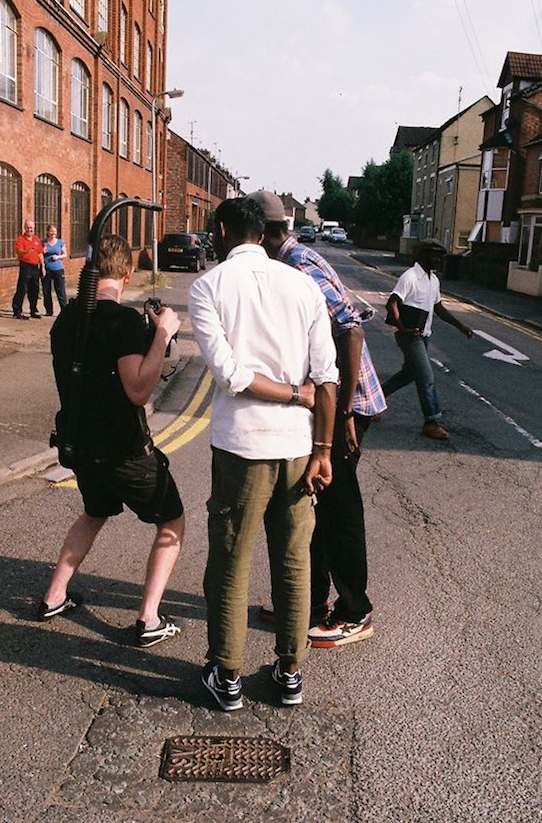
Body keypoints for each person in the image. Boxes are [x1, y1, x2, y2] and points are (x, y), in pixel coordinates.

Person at [189, 197, 337, 711]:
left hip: (242, 448)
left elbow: (231, 375)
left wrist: (295, 395)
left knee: (231, 559)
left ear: (225, 230)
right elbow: (328, 377)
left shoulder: (208, 286)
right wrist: (324, 449)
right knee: (294, 562)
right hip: (299, 447)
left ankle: (226, 677)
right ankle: (290, 673)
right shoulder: (301, 285)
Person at [247, 190, 387, 649]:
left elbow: (352, 330)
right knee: (319, 502)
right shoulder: (287, 262)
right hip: (329, 402)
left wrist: (344, 414)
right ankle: (312, 602)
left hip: (346, 404)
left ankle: (355, 610)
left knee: (341, 509)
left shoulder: (300, 266)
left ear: (266, 234)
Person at [39, 234, 185, 649]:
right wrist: (161, 335)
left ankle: (54, 597)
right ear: (126, 273)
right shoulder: (123, 321)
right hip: (123, 449)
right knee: (172, 521)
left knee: (94, 512)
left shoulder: (66, 319)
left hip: (79, 446)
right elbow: (138, 390)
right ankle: (149, 619)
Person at [381, 238, 473, 440]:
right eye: (436, 256)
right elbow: (392, 304)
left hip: (424, 336)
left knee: (408, 374)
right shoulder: (410, 276)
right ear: (423, 255)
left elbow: (439, 308)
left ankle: (373, 402)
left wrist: (461, 327)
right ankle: (431, 422)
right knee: (426, 377)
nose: (440, 260)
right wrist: (402, 328)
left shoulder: (434, 280)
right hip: (410, 337)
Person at [12, 219, 44, 319]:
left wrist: (43, 266)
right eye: (28, 227)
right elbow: (19, 251)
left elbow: (40, 253)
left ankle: (33, 310)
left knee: (34, 289)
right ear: (24, 228)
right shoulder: (20, 239)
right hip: (25, 265)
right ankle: (17, 310)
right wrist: (26, 251)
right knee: (22, 288)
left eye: (31, 228)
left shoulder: (36, 239)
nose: (30, 230)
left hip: (35, 266)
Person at [42, 224, 68, 317]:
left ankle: (64, 310)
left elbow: (65, 254)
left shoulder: (60, 242)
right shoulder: (44, 242)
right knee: (46, 290)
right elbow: (40, 255)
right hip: (47, 269)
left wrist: (58, 257)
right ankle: (49, 311)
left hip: (58, 269)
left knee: (60, 290)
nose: (53, 233)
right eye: (51, 231)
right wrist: (43, 252)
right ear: (47, 232)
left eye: (55, 231)